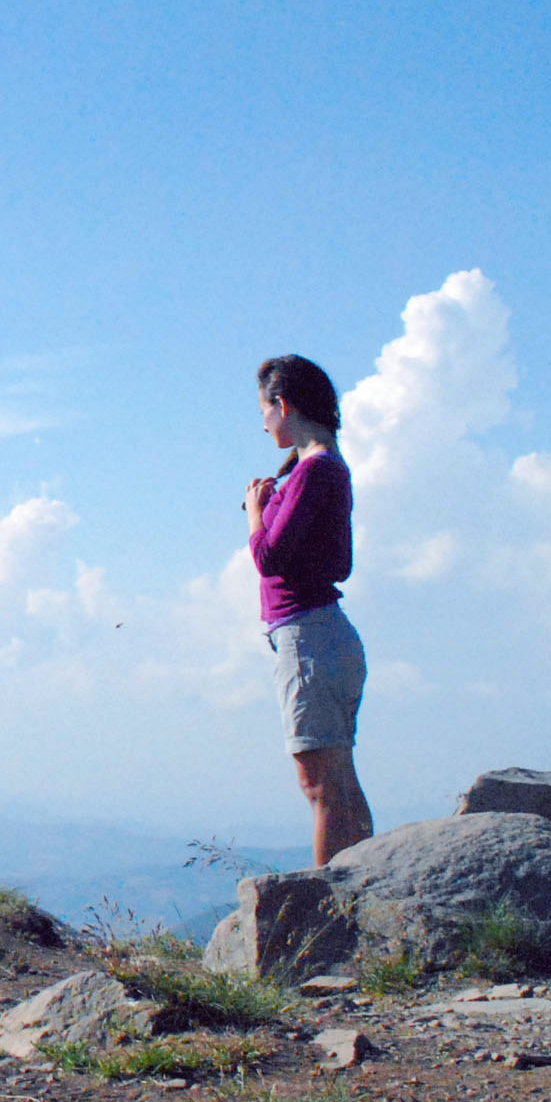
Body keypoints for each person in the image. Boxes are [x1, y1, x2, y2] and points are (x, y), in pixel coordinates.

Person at [244, 354, 373, 865]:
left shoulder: (315, 470)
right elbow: (339, 563)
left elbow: (269, 559)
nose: (264, 422)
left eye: (264, 410)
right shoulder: (324, 469)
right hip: (325, 636)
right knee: (337, 781)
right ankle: (368, 889)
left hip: (308, 639)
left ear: (283, 404)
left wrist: (256, 512)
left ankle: (326, 908)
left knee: (319, 785)